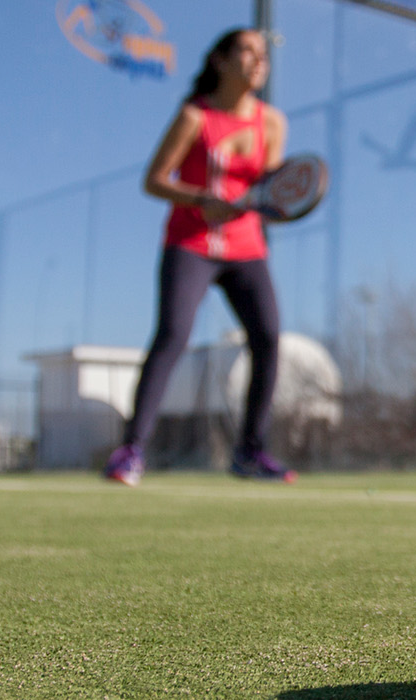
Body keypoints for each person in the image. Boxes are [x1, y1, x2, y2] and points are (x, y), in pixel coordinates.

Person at [104, 28, 293, 486]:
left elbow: (268, 192)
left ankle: (250, 453)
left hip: (247, 246)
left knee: (268, 337)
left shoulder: (272, 123)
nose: (258, 60)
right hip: (190, 243)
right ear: (221, 61)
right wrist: (196, 197)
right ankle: (131, 451)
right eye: (247, 50)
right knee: (173, 335)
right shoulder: (195, 116)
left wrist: (277, 207)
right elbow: (153, 179)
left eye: (263, 54)